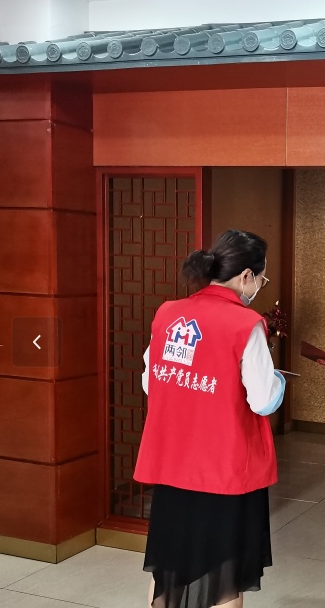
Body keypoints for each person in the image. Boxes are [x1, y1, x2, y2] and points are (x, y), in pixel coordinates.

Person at [134, 229, 286, 608]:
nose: (259, 286)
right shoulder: (245, 323)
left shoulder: (168, 313)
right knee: (224, 573)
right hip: (224, 470)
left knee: (168, 567)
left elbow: (151, 382)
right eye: (262, 278)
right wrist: (279, 381)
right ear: (246, 276)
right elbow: (262, 400)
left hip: (172, 465)